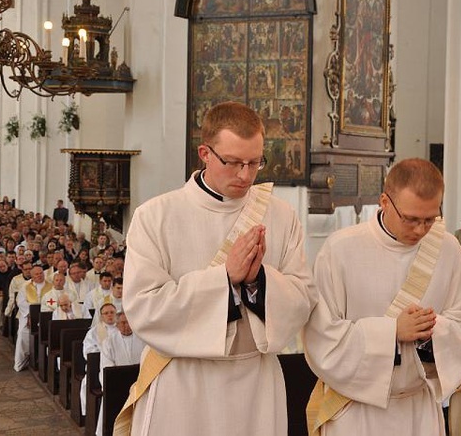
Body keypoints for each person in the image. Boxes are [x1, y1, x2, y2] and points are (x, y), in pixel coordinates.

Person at [121, 102, 316, 435]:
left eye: (255, 162)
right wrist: (224, 279)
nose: (245, 175)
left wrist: (259, 281)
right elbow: (143, 307)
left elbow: (303, 300)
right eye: (233, 162)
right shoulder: (155, 216)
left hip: (255, 381)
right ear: (205, 153)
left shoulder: (282, 216)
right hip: (183, 383)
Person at [303, 158, 461, 436]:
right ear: (384, 202)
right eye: (411, 219)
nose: (421, 230)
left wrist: (432, 333)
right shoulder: (340, 250)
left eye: (430, 219)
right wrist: (392, 332)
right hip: (357, 411)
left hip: (417, 408)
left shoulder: (448, 249)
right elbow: (321, 337)